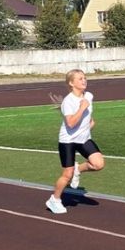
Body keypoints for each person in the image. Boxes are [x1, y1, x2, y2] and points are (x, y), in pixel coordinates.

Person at [46, 69, 105, 214]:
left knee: (98, 164)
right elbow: (71, 123)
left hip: (84, 139)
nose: (84, 81)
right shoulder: (69, 101)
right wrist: (82, 108)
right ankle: (54, 199)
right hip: (68, 141)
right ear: (71, 83)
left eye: (85, 78)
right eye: (80, 79)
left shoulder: (89, 96)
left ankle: (79, 169)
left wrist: (90, 123)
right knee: (67, 174)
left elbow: (89, 118)